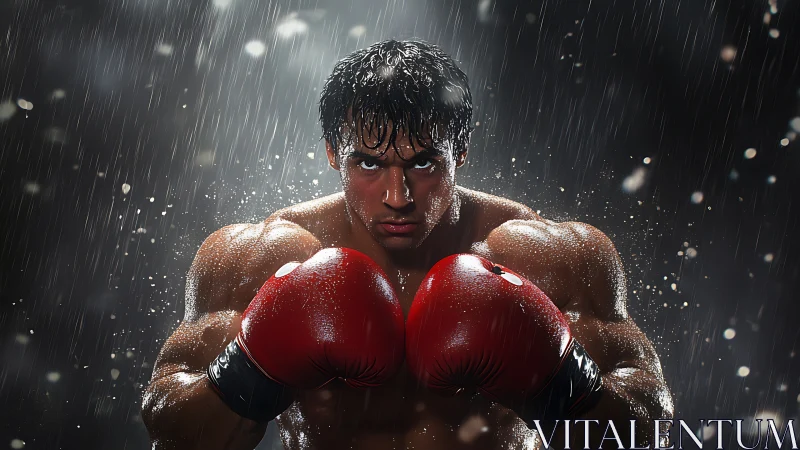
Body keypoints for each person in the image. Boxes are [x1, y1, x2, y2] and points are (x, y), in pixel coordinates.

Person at [141, 39, 674, 450]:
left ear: (459, 151)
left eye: (423, 163)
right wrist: (250, 370)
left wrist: (560, 379)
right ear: (333, 153)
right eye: (369, 163)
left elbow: (648, 427)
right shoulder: (262, 256)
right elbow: (172, 428)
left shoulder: (546, 256)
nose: (397, 196)